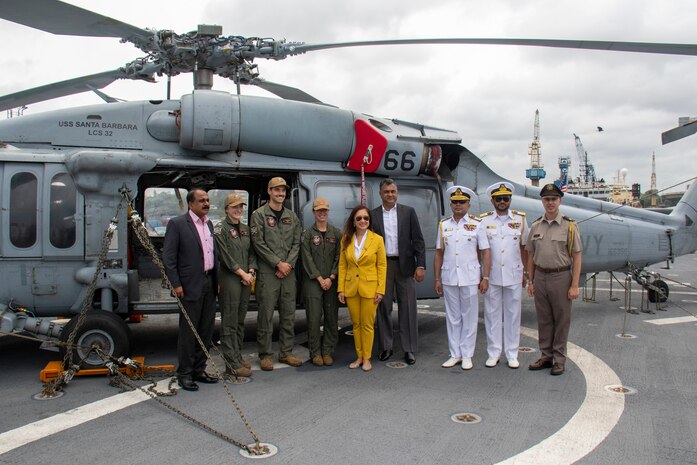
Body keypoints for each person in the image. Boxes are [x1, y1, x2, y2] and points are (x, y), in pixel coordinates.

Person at [163, 188, 219, 391]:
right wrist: (176, 284)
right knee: (189, 332)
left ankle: (198, 370)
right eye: (201, 200)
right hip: (188, 286)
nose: (206, 203)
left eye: (207, 200)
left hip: (209, 282)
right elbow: (169, 258)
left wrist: (216, 280)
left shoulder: (209, 224)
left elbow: (213, 253)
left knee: (205, 330)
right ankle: (184, 374)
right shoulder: (177, 224)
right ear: (191, 204)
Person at [526, 183, 582, 376]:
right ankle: (545, 356)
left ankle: (559, 359)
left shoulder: (570, 226)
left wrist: (574, 285)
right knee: (544, 319)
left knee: (561, 320)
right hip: (541, 277)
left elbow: (577, 256)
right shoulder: (535, 226)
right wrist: (530, 281)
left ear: (560, 201)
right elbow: (530, 256)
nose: (550, 203)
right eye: (546, 199)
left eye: (553, 199)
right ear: (542, 201)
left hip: (561, 276)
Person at [434, 186, 490, 370]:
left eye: (462, 202)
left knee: (469, 317)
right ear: (450, 204)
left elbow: (485, 252)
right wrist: (436, 279)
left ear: (468, 204)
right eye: (455, 202)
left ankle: (467, 354)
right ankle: (455, 353)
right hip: (449, 276)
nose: (458, 205)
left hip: (470, 276)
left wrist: (485, 277)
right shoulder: (444, 225)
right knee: (452, 317)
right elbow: (439, 253)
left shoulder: (477, 224)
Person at [371, 179, 426, 365]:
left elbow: (418, 240)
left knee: (408, 307)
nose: (390, 194)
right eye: (386, 191)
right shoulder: (373, 215)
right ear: (380, 193)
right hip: (382, 266)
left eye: (393, 191)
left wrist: (421, 265)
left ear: (397, 193)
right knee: (383, 307)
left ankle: (409, 349)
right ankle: (386, 347)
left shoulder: (408, 212)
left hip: (405, 266)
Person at [251, 177, 303, 371]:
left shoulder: (292, 216)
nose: (281, 194)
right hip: (268, 273)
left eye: (283, 191)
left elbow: (297, 243)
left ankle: (286, 352)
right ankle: (265, 354)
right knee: (265, 315)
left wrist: (287, 265)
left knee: (288, 314)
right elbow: (259, 243)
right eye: (277, 190)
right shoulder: (259, 215)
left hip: (288, 273)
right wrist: (277, 264)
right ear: (269, 191)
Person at [479, 182, 529, 369]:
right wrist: (482, 276)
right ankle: (494, 352)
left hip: (513, 274)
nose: (502, 201)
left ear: (510, 200)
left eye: (505, 198)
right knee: (492, 315)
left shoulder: (520, 220)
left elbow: (524, 248)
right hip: (492, 276)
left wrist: (525, 272)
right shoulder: (484, 221)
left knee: (513, 315)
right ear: (492, 201)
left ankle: (512, 353)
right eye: (498, 199)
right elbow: (482, 250)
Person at [338, 206, 387, 372]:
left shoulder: (377, 240)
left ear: (369, 221)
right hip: (351, 288)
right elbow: (342, 266)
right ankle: (359, 356)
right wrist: (341, 289)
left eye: (366, 218)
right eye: (359, 218)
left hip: (370, 288)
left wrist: (380, 289)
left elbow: (382, 266)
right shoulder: (346, 239)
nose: (363, 221)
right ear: (353, 221)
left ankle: (367, 358)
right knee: (356, 324)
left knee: (367, 324)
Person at [214, 193, 256, 378]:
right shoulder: (220, 229)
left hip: (246, 279)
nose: (238, 210)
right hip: (231, 278)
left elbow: (252, 253)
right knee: (229, 322)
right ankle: (230, 363)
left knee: (239, 320)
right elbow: (224, 256)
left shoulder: (246, 229)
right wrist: (242, 273)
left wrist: (252, 271)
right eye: (234, 207)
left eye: (240, 206)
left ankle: (237, 356)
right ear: (226, 209)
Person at [301, 198, 342, 366]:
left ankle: (327, 351)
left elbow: (340, 257)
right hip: (313, 281)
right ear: (313, 212)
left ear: (328, 211)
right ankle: (315, 352)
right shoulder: (308, 234)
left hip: (331, 282)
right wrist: (319, 278)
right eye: (319, 210)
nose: (322, 213)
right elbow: (307, 258)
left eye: (325, 210)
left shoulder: (336, 233)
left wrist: (331, 277)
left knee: (331, 317)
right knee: (314, 318)